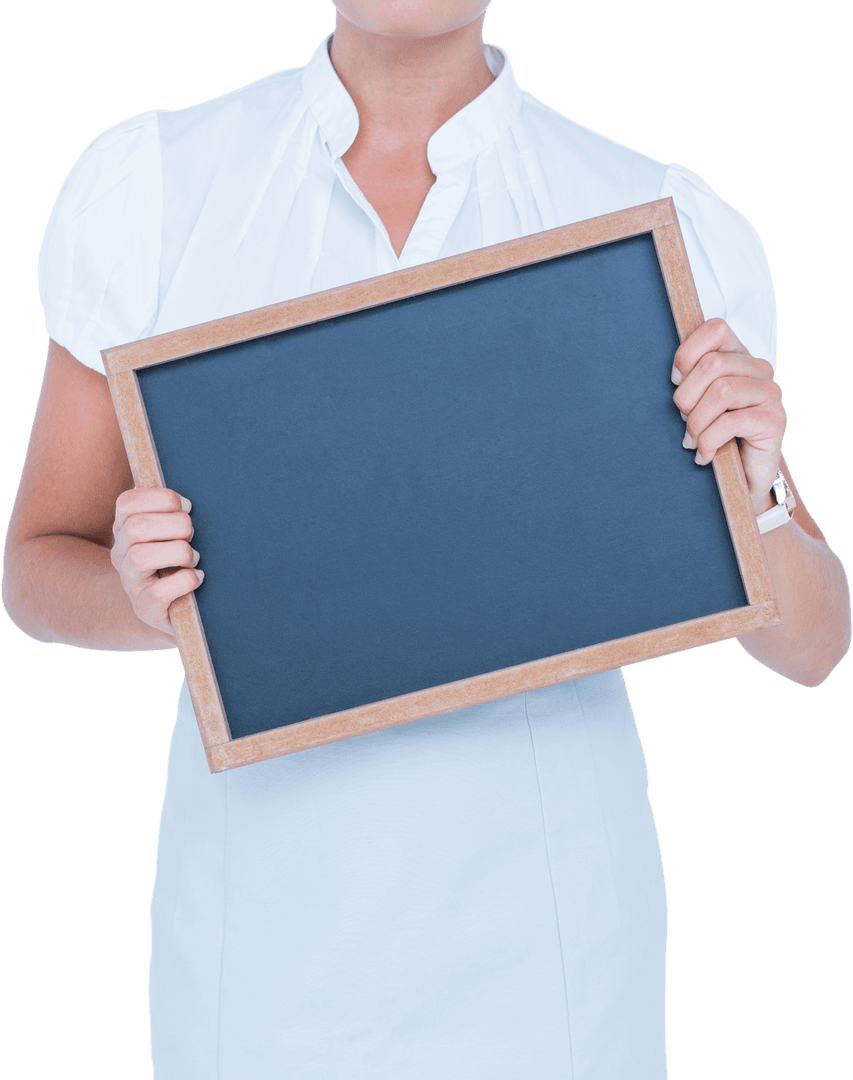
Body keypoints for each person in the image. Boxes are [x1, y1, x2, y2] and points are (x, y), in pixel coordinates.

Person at [3, 1, 850, 1077]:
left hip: (553, 948)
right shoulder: (161, 186)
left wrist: (758, 475)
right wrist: (143, 599)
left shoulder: (647, 214)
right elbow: (37, 563)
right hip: (263, 942)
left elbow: (813, 642)